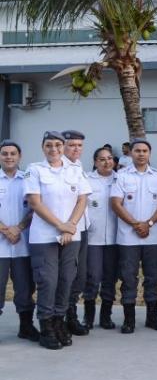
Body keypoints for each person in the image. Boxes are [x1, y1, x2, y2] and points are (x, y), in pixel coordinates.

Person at [24, 131, 90, 349]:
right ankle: (46, 326)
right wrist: (60, 225)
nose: (53, 149)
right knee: (48, 280)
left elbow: (82, 200)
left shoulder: (75, 169)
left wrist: (69, 226)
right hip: (44, 236)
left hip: (71, 234)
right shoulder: (35, 170)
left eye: (57, 145)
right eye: (49, 145)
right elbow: (35, 202)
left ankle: (59, 321)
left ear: (63, 147)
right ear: (43, 147)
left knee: (66, 279)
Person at [111, 138, 157, 334]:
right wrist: (136, 225)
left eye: (145, 151)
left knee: (153, 277)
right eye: (137, 151)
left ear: (149, 154)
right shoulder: (121, 176)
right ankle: (129, 320)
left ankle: (153, 317)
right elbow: (116, 204)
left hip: (153, 237)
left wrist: (148, 224)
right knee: (129, 278)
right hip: (128, 238)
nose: (141, 154)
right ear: (131, 153)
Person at [0, 140, 39, 342]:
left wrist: (18, 228)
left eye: (12, 153)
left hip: (23, 246)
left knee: (25, 290)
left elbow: (35, 208)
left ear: (19, 156)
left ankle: (26, 327)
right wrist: (6, 230)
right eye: (5, 153)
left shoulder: (28, 180)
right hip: (0, 246)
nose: (9, 157)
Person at [82, 147, 119, 330]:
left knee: (110, 278)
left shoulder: (120, 179)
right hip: (93, 238)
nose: (107, 162)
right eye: (102, 159)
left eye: (110, 158)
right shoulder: (87, 180)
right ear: (95, 162)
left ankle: (106, 316)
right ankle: (88, 317)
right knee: (93, 277)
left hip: (115, 238)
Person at [61, 130, 91, 336]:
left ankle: (71, 314)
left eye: (79, 145)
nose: (76, 149)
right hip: (67, 230)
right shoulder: (58, 168)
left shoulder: (78, 166)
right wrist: (68, 226)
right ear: (61, 146)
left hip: (83, 229)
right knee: (66, 276)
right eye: (72, 145)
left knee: (79, 276)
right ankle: (60, 318)